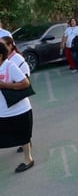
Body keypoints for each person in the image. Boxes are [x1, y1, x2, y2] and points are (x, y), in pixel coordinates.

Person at [0, 42, 35, 172]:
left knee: (23, 137)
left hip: (19, 110)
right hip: (2, 111)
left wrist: (4, 85)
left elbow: (25, 83)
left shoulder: (10, 66)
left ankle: (28, 159)